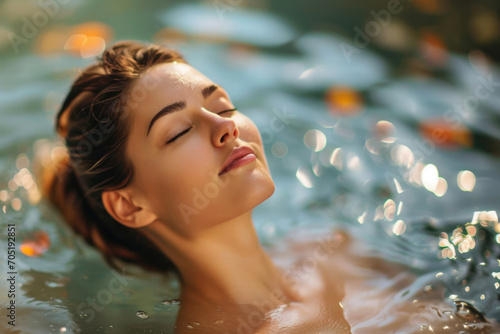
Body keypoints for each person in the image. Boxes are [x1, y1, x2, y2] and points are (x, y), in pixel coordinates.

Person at [43, 41, 497, 334]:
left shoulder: (330, 248)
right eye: (178, 133)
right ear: (129, 204)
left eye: (223, 105)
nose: (224, 128)